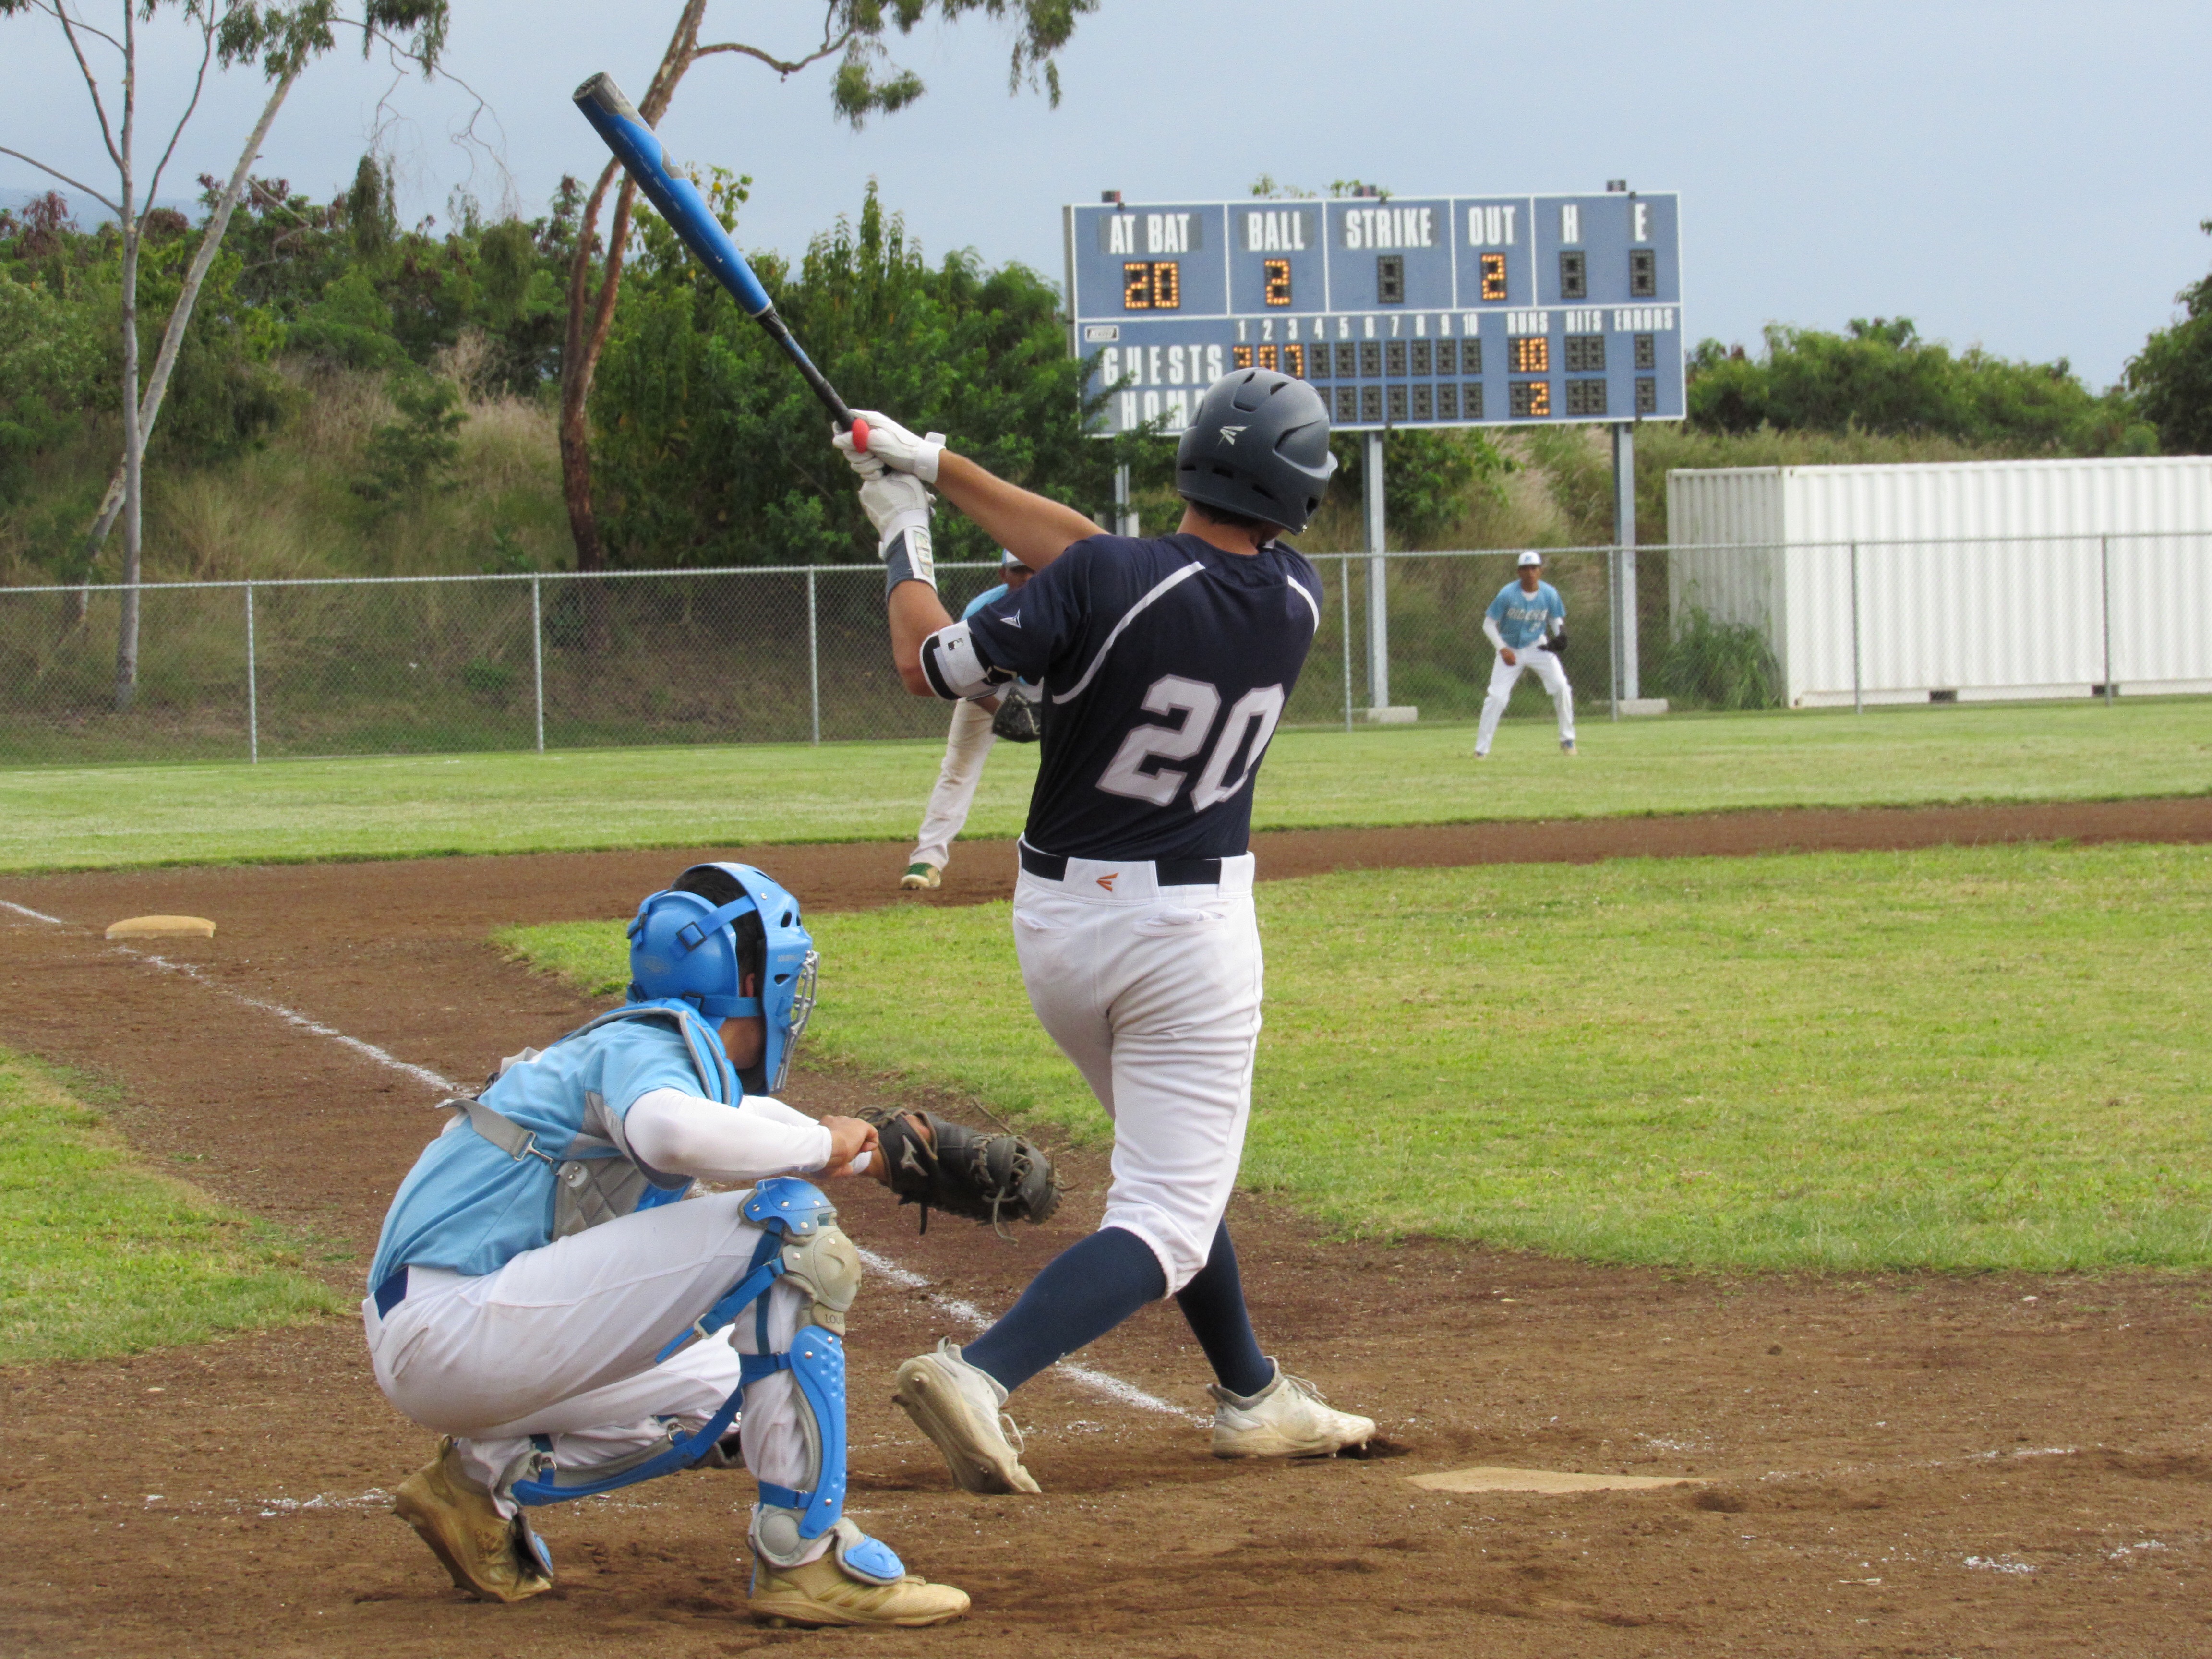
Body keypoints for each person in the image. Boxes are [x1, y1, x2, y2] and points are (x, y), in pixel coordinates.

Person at [831, 368, 1377, 1495]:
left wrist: (906, 536)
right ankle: (981, 1370)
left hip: (1060, 931)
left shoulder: (1105, 575)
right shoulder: (1295, 597)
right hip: (1187, 937)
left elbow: (928, 658)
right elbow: (1103, 559)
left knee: (1177, 1170)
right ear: (1297, 494)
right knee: (1171, 1206)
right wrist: (930, 468)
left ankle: (1252, 1392)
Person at [362, 862, 968, 1628]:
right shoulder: (654, 1050)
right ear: (750, 979)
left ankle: (473, 1486)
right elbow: (673, 1131)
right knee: (789, 1229)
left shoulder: (638, 1047)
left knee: (731, 1395)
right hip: (458, 1328)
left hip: (452, 1329)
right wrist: (820, 1146)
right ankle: (804, 1558)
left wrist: (864, 1146)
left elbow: (747, 1116)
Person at [902, 549, 1037, 891]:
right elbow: (963, 678)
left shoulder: (1071, 602)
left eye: (1037, 568)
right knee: (958, 768)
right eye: (1020, 570)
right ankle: (927, 861)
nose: (1029, 577)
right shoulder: (980, 613)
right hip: (987, 688)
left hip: (1051, 686)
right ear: (1002, 575)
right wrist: (1004, 715)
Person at [1474, 550, 1575, 757]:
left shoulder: (1549, 594)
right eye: (1525, 569)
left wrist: (1561, 635)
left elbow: (1555, 620)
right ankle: (1481, 750)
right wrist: (1502, 649)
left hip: (1538, 646)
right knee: (1497, 698)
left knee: (1561, 686)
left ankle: (1567, 740)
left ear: (1541, 571)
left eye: (1534, 568)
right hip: (1510, 648)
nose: (1530, 573)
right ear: (1519, 572)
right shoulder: (1507, 594)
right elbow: (1488, 624)